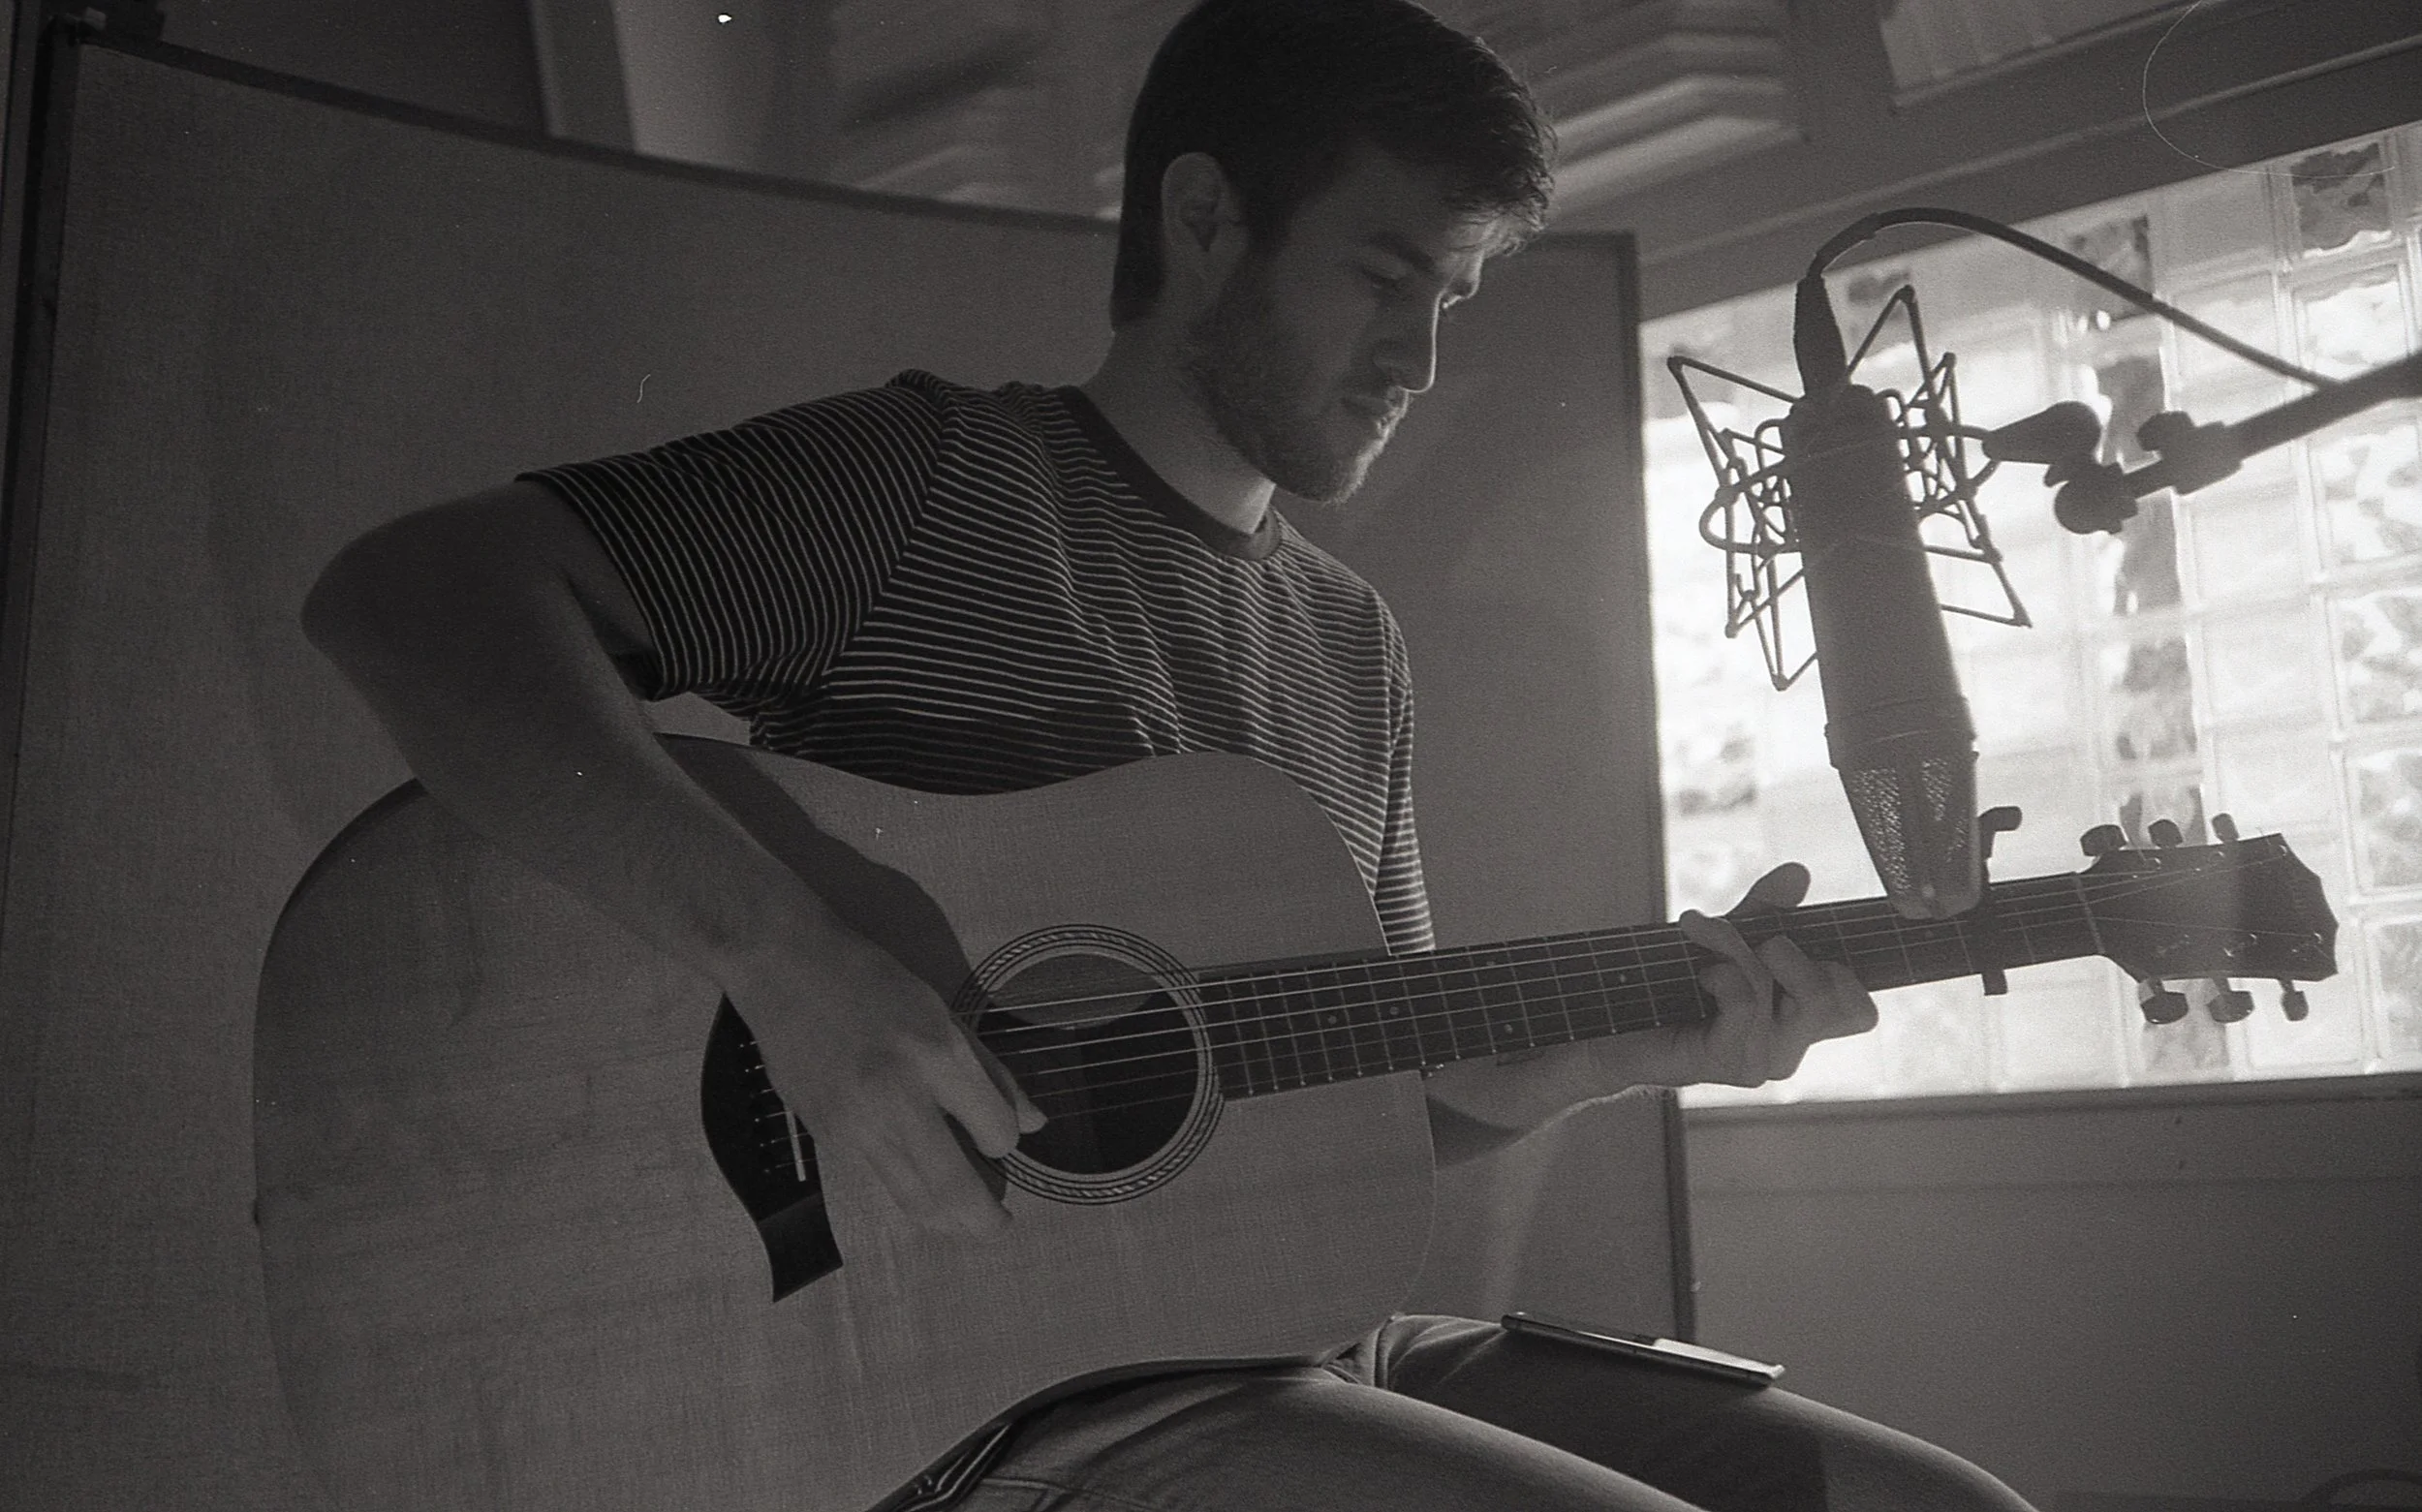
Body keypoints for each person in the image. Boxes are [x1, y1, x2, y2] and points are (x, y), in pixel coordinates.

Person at [302, 2, 2036, 1507]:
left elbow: (1388, 1088)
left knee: (1938, 1507)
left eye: (1457, 300)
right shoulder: (928, 489)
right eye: (1384, 277)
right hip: (974, 1400)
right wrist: (792, 970)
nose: (1422, 361)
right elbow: (412, 601)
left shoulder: (1351, 642)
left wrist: (1632, 1046)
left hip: (1303, 1340)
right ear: (1207, 220)